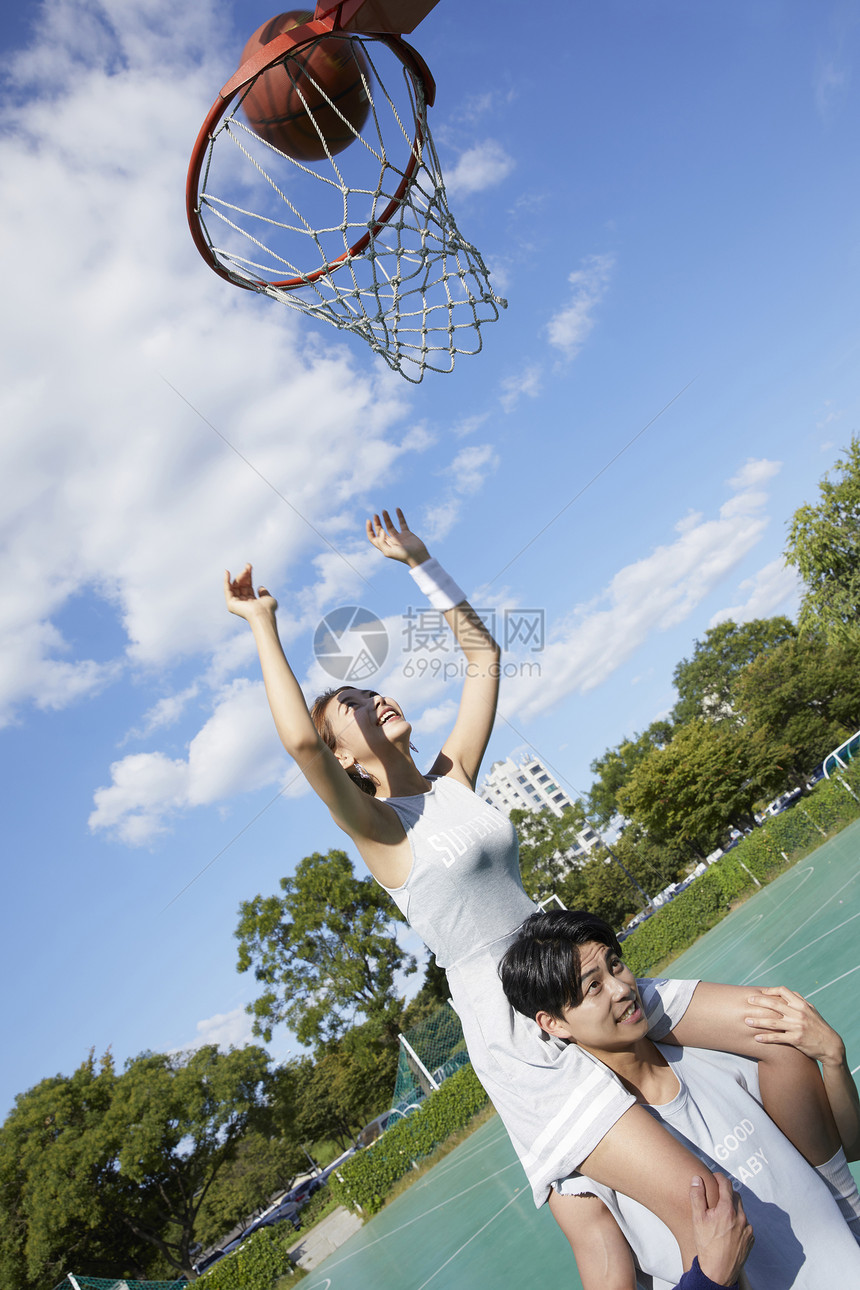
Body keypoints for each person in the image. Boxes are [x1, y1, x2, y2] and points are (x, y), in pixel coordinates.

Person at [224, 508, 846, 1275]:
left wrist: (419, 561)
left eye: (367, 688)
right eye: (346, 707)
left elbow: (483, 659)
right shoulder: (382, 831)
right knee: (697, 1207)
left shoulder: (452, 777)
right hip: (519, 1025)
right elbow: (295, 744)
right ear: (342, 757)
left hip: (575, 975)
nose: (366, 698)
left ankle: (839, 1203)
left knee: (780, 1034)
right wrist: (261, 622)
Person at [499, 908, 860, 1288]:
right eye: (593, 986)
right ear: (553, 1023)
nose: (622, 988)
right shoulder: (581, 1179)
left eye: (615, 965)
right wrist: (709, 1279)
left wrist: (833, 1059)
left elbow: (844, 1152)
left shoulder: (729, 1058)